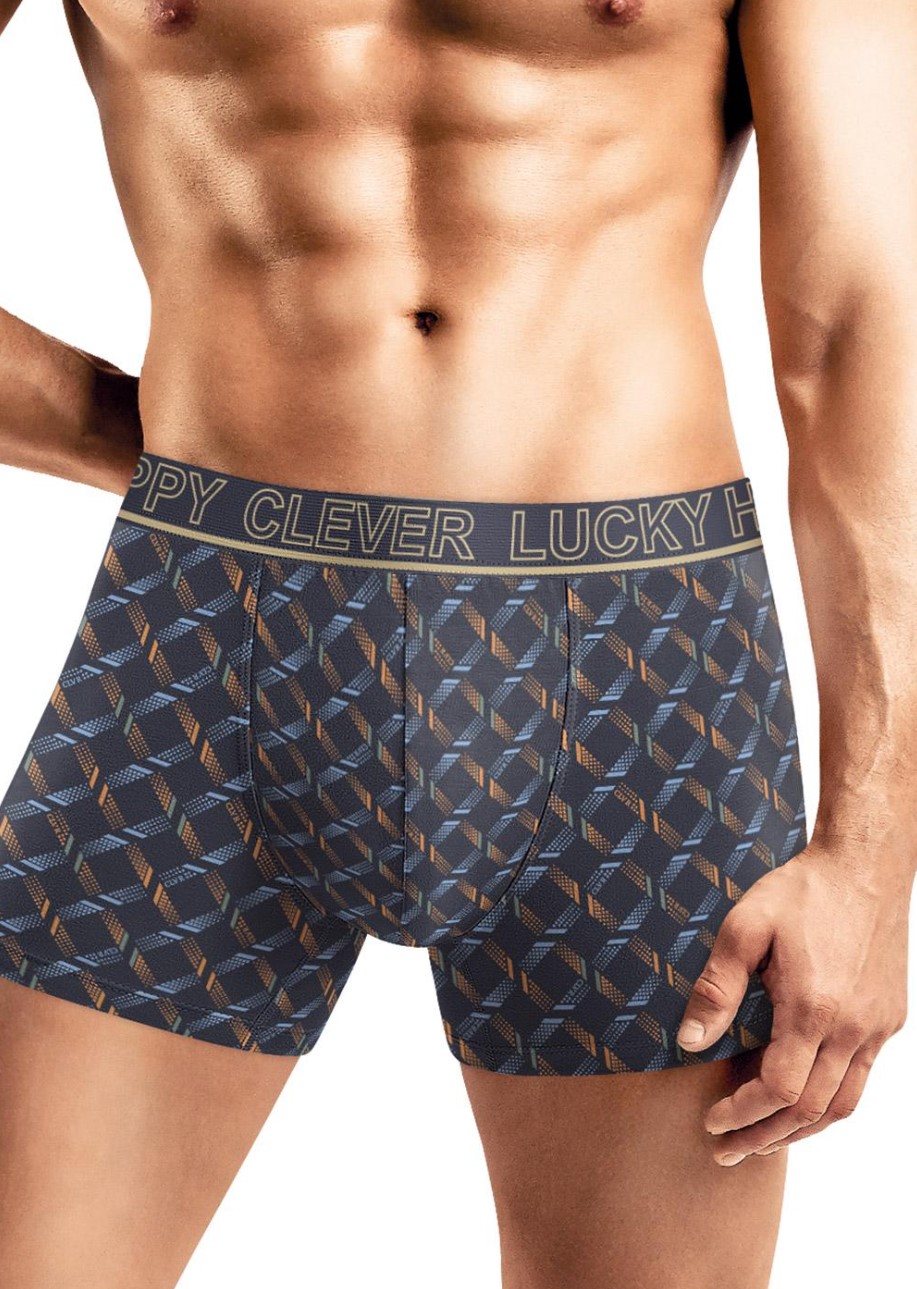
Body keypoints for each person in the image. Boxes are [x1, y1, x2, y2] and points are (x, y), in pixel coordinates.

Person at [0, 0, 913, 1284]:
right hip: (208, 636)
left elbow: (861, 315)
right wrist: (132, 436)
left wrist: (871, 858)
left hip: (640, 673)